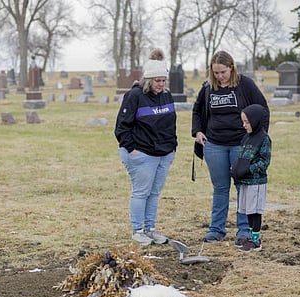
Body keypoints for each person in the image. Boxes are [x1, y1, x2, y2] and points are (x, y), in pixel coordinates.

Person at [191, 50, 269, 244]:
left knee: (243, 187)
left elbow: (262, 110)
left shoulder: (245, 85)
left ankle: (243, 229)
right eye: (215, 72)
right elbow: (197, 111)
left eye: (223, 72)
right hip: (214, 145)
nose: (219, 76)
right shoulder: (208, 87)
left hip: (241, 146)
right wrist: (198, 131)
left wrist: (258, 138)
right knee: (220, 188)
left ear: (231, 68)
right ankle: (216, 229)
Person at [115, 48, 177, 246]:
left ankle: (150, 229)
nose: (160, 84)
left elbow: (170, 123)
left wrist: (172, 147)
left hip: (164, 153)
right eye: (157, 81)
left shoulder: (166, 96)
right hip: (142, 154)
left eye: (163, 80)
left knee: (154, 193)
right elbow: (122, 127)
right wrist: (133, 149)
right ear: (148, 80)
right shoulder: (134, 96)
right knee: (141, 192)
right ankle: (138, 230)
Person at [231, 104, 272, 252]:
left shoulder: (264, 139)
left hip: (256, 182)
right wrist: (236, 169)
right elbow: (242, 157)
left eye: (247, 122)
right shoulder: (246, 138)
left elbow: (264, 161)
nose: (244, 125)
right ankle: (249, 236)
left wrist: (249, 169)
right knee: (248, 210)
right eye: (243, 121)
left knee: (255, 211)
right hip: (245, 181)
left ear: (255, 121)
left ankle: (256, 240)